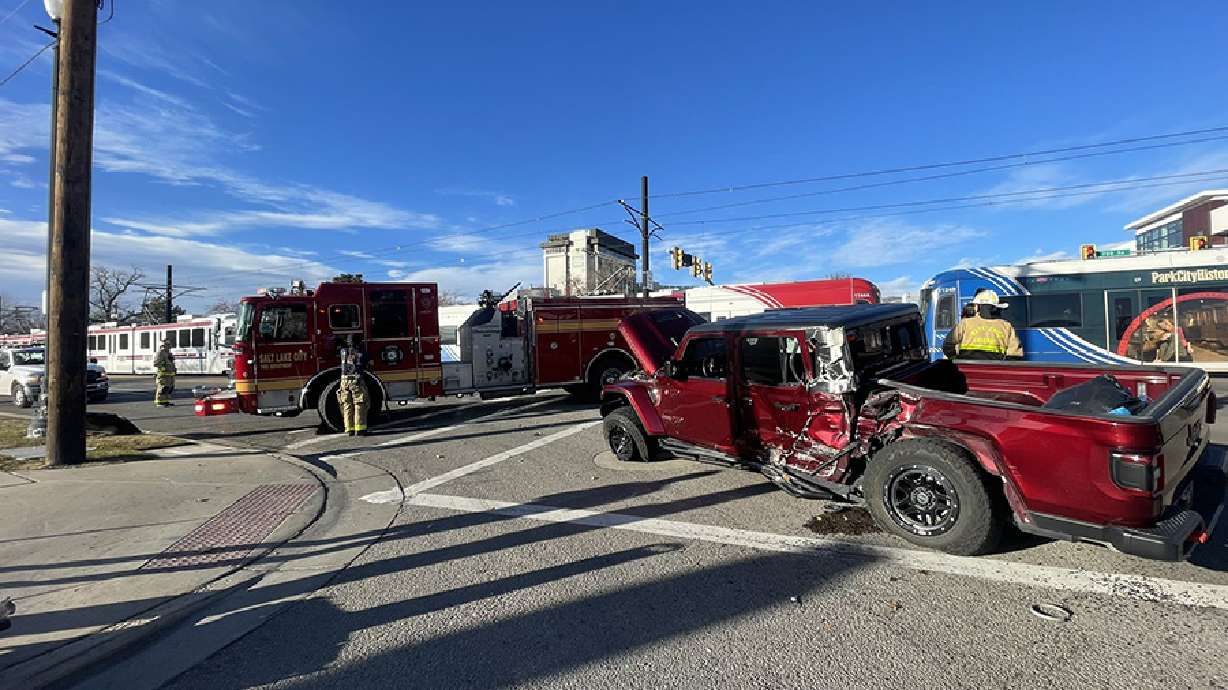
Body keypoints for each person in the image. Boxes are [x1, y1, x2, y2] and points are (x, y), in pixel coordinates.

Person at [942, 289, 1023, 361]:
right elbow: (1014, 355)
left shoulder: (965, 323)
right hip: (994, 371)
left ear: (978, 307)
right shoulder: (1006, 326)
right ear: (996, 307)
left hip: (966, 369)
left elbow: (948, 345)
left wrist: (956, 359)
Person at [337, 337, 369, 436]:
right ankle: (360, 429)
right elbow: (366, 359)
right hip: (356, 380)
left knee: (347, 404)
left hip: (344, 380)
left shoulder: (343, 352)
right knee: (359, 404)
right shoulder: (360, 352)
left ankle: (349, 429)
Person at [153, 339, 177, 407]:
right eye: (168, 345)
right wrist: (163, 368)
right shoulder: (160, 353)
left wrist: (174, 370)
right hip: (163, 375)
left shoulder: (169, 353)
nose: (169, 346)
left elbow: (172, 363)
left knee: (168, 388)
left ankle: (165, 401)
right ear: (163, 345)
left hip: (170, 375)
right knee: (162, 388)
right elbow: (156, 363)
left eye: (170, 345)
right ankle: (159, 402)